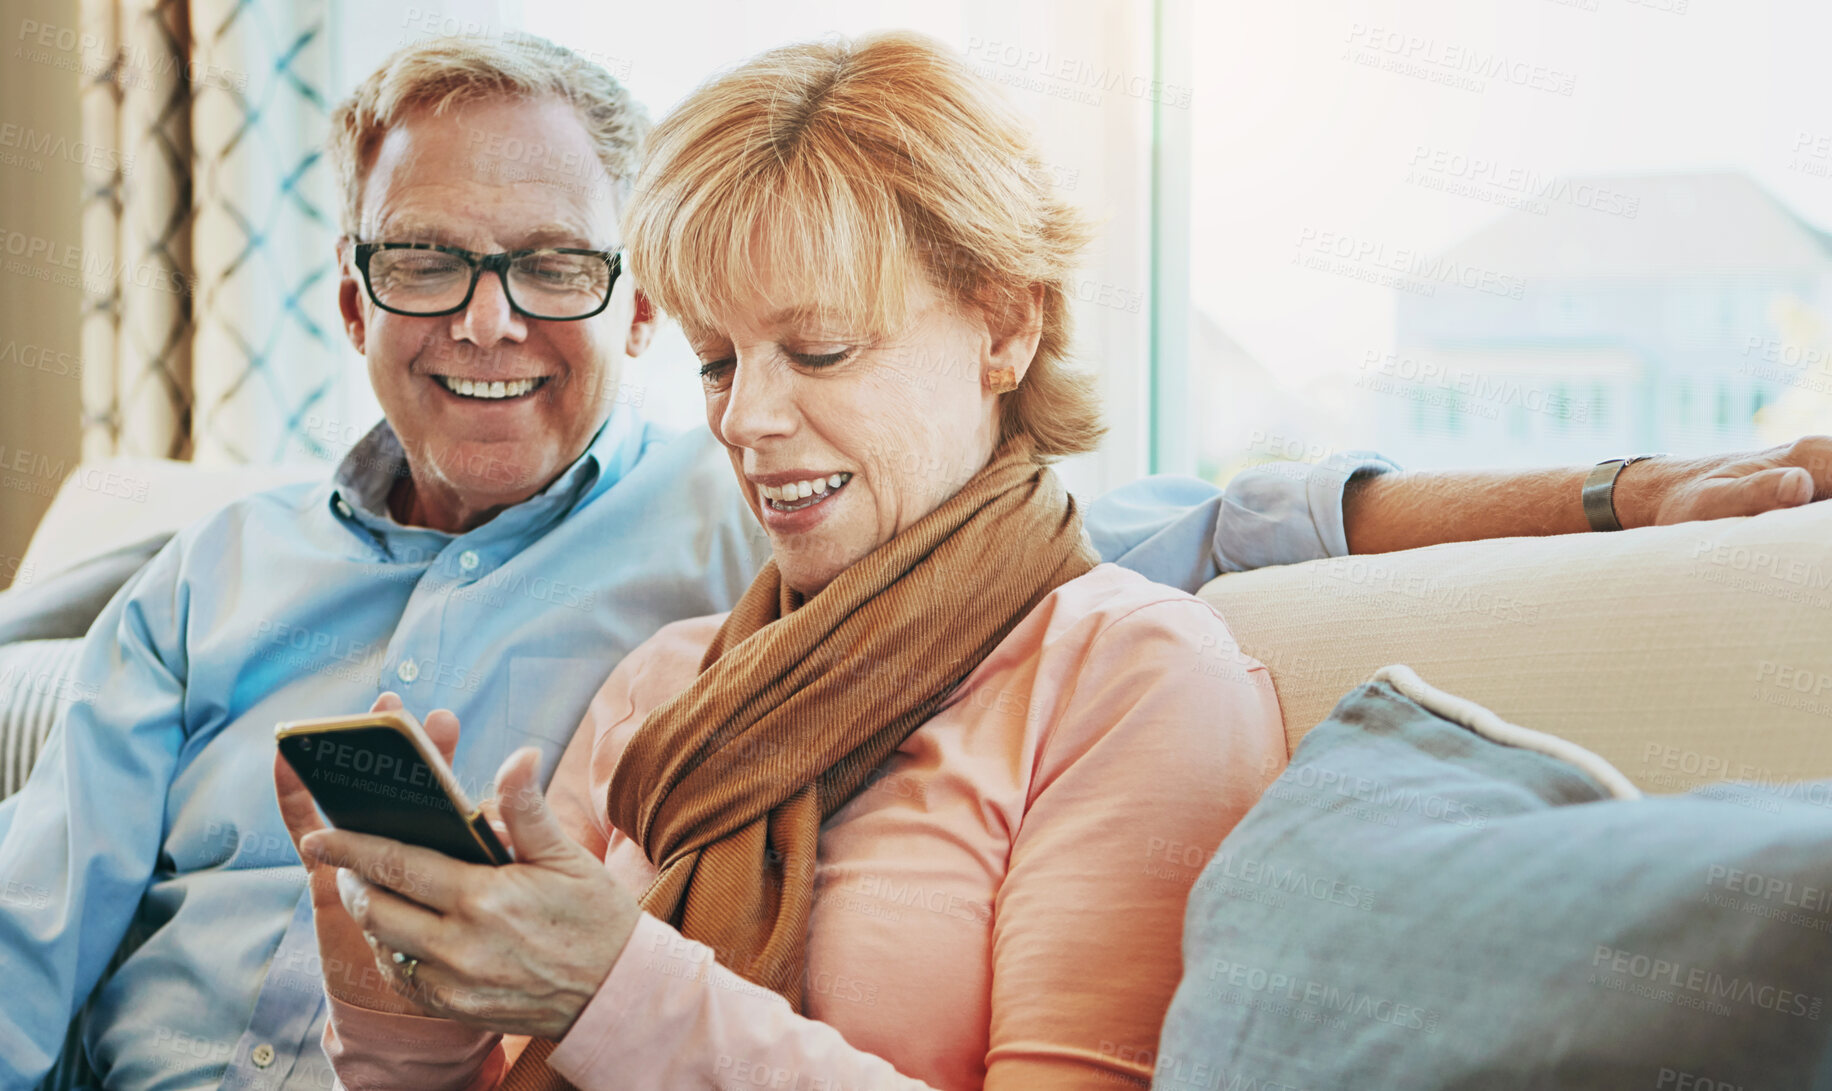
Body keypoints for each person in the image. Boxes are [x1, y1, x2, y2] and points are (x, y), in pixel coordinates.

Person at [0, 29, 1826, 1091]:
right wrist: (405, 998)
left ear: (1006, 328)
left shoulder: (1108, 664)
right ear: (357, 293)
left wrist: (1625, 492)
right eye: (721, 364)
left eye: (821, 350)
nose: (750, 423)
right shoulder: (672, 669)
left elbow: (1231, 519)